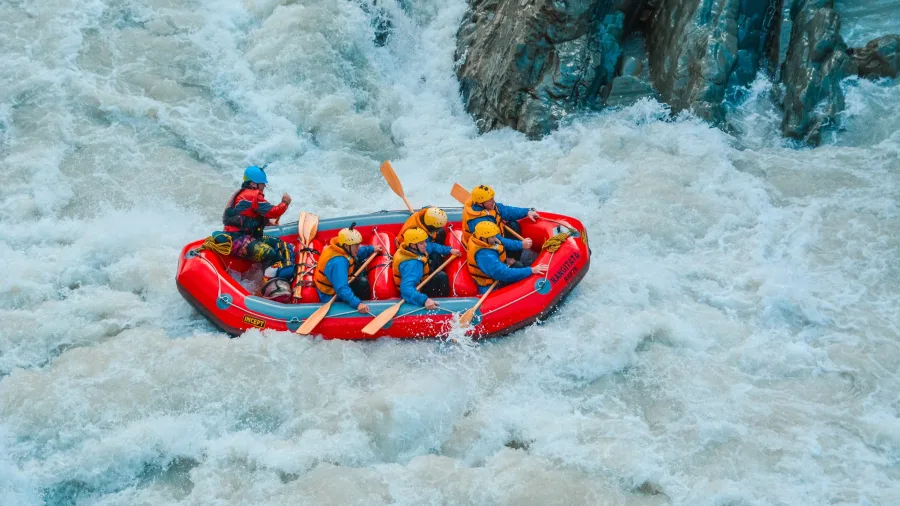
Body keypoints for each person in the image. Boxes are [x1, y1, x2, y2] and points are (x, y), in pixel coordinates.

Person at [219, 164, 295, 279]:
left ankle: (276, 273)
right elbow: (273, 212)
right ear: (253, 183)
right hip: (238, 240)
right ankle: (267, 282)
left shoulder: (244, 195)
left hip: (247, 236)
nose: (264, 185)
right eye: (262, 183)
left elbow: (252, 217)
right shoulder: (252, 196)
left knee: (280, 244)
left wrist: (269, 224)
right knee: (270, 254)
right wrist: (285, 203)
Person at [314, 224, 384, 314]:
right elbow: (341, 288)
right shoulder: (339, 262)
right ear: (347, 246)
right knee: (363, 284)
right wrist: (358, 304)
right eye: (356, 245)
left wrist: (371, 249)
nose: (358, 247)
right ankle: (366, 302)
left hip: (337, 281)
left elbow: (356, 253)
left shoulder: (341, 247)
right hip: (330, 293)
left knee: (359, 265)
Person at [461, 184, 540, 262]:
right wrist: (520, 245)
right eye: (490, 200)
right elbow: (496, 240)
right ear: (480, 203)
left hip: (494, 235)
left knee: (513, 225)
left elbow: (506, 210)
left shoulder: (487, 205)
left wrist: (527, 211)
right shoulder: (477, 222)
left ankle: (515, 258)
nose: (493, 201)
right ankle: (509, 262)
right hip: (486, 245)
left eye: (493, 198)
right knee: (515, 263)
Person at [467, 222, 547, 293]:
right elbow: (504, 273)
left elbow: (502, 242)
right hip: (490, 285)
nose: (495, 239)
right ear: (483, 238)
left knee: (520, 263)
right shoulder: (484, 256)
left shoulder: (481, 239)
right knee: (518, 266)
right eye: (492, 237)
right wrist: (531, 270)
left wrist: (520, 245)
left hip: (495, 271)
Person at [392, 228, 458, 310]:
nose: (425, 245)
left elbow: (432, 246)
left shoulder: (410, 248)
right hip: (417, 289)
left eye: (424, 242)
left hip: (420, 277)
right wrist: (424, 300)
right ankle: (441, 301)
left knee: (435, 256)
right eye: (422, 243)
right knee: (442, 277)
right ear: (413, 245)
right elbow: (406, 289)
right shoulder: (413, 264)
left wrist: (449, 250)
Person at [396, 207, 460, 269]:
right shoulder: (417, 232)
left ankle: (441, 253)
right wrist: (449, 250)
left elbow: (428, 207)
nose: (436, 230)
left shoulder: (424, 216)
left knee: (441, 232)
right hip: (411, 248)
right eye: (436, 229)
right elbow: (431, 246)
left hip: (418, 241)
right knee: (436, 256)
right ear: (430, 227)